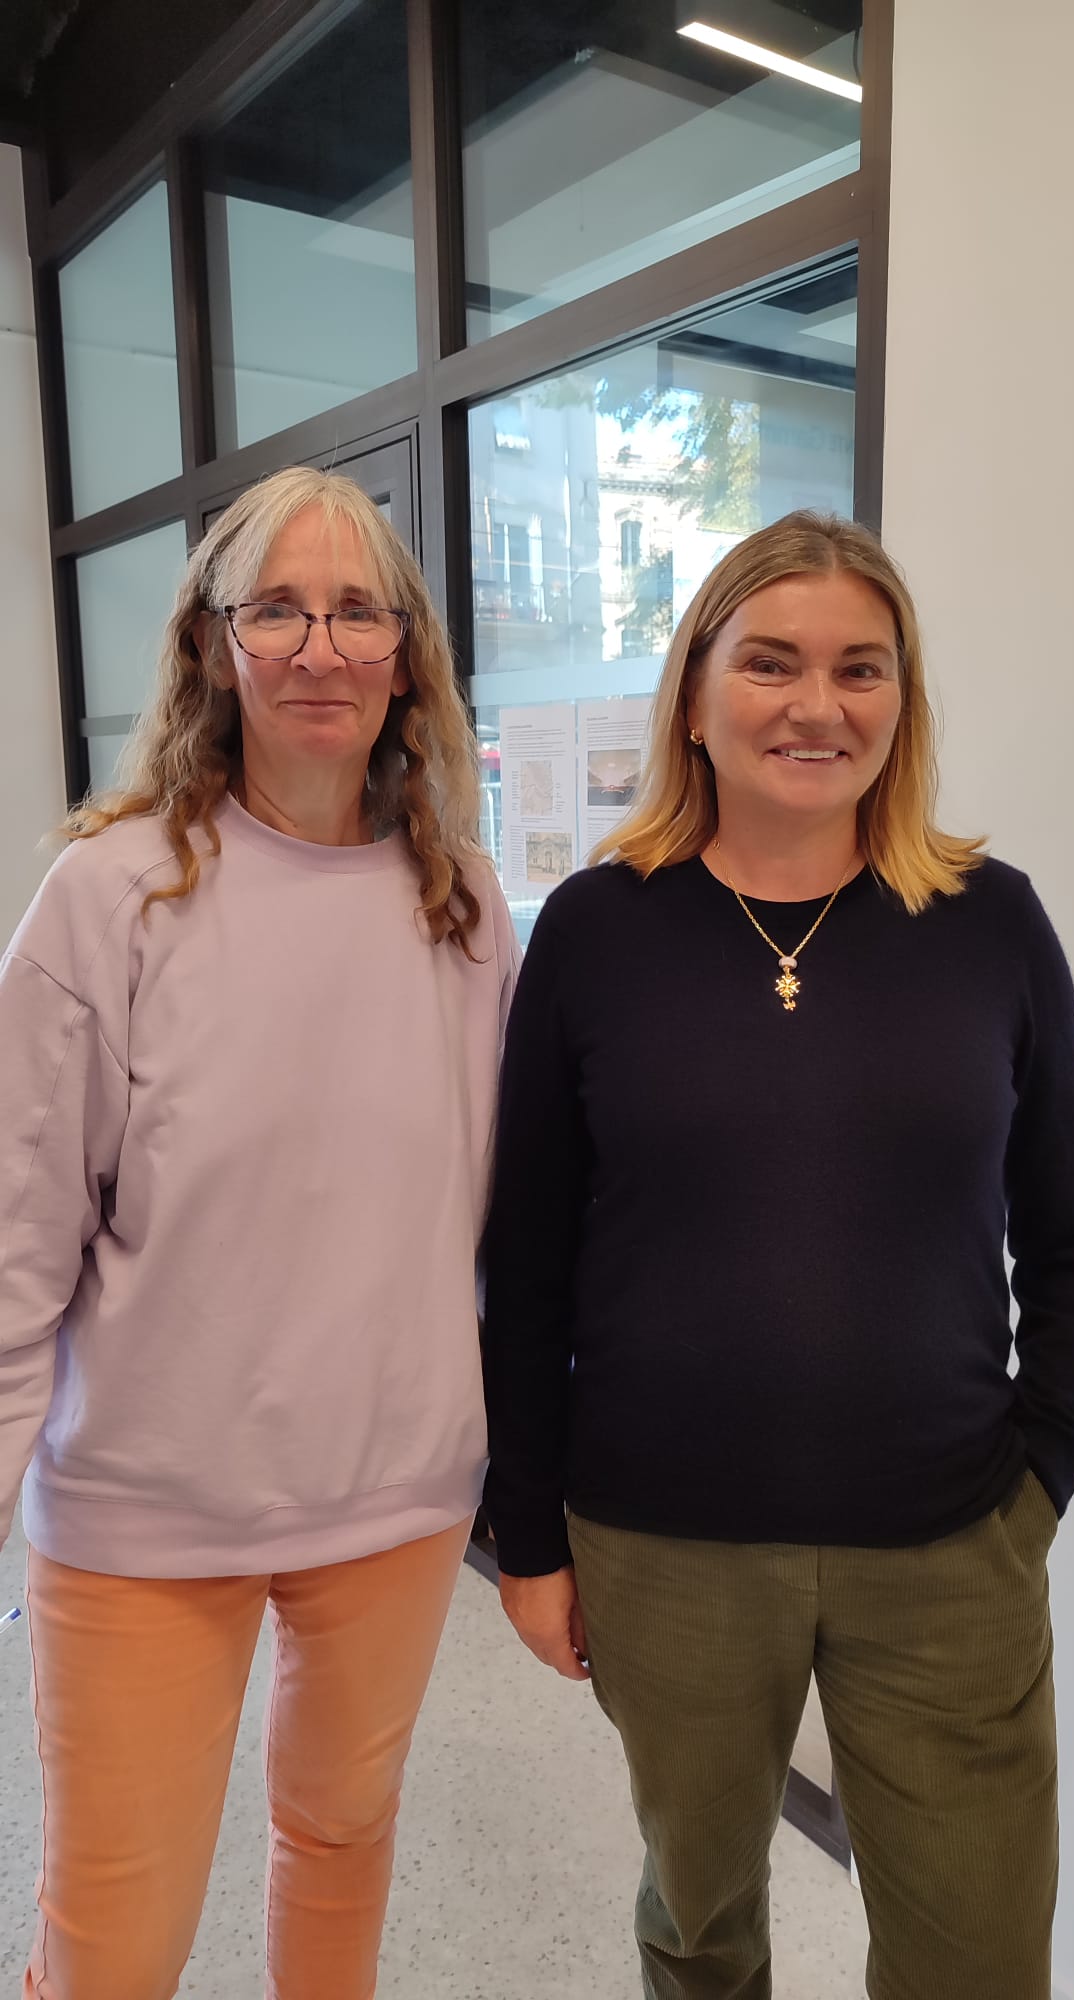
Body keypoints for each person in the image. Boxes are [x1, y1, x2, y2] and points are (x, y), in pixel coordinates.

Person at [482, 511, 1074, 2000]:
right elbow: (527, 1262)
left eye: (860, 668)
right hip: (663, 1548)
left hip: (950, 1542)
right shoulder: (595, 931)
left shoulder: (988, 922)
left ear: (901, 700)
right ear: (696, 695)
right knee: (701, 1929)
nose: (815, 705)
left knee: (977, 1956)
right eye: (770, 662)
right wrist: (530, 1534)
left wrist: (1038, 1473)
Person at [0, 466, 518, 2000]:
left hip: (396, 1497)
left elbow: (499, 1216)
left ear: (406, 656)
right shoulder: (109, 896)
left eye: (357, 612)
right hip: (148, 1511)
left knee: (341, 1849)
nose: (319, 648)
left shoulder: (464, 908)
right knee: (115, 1944)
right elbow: (17, 1243)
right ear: (212, 648)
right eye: (275, 610)